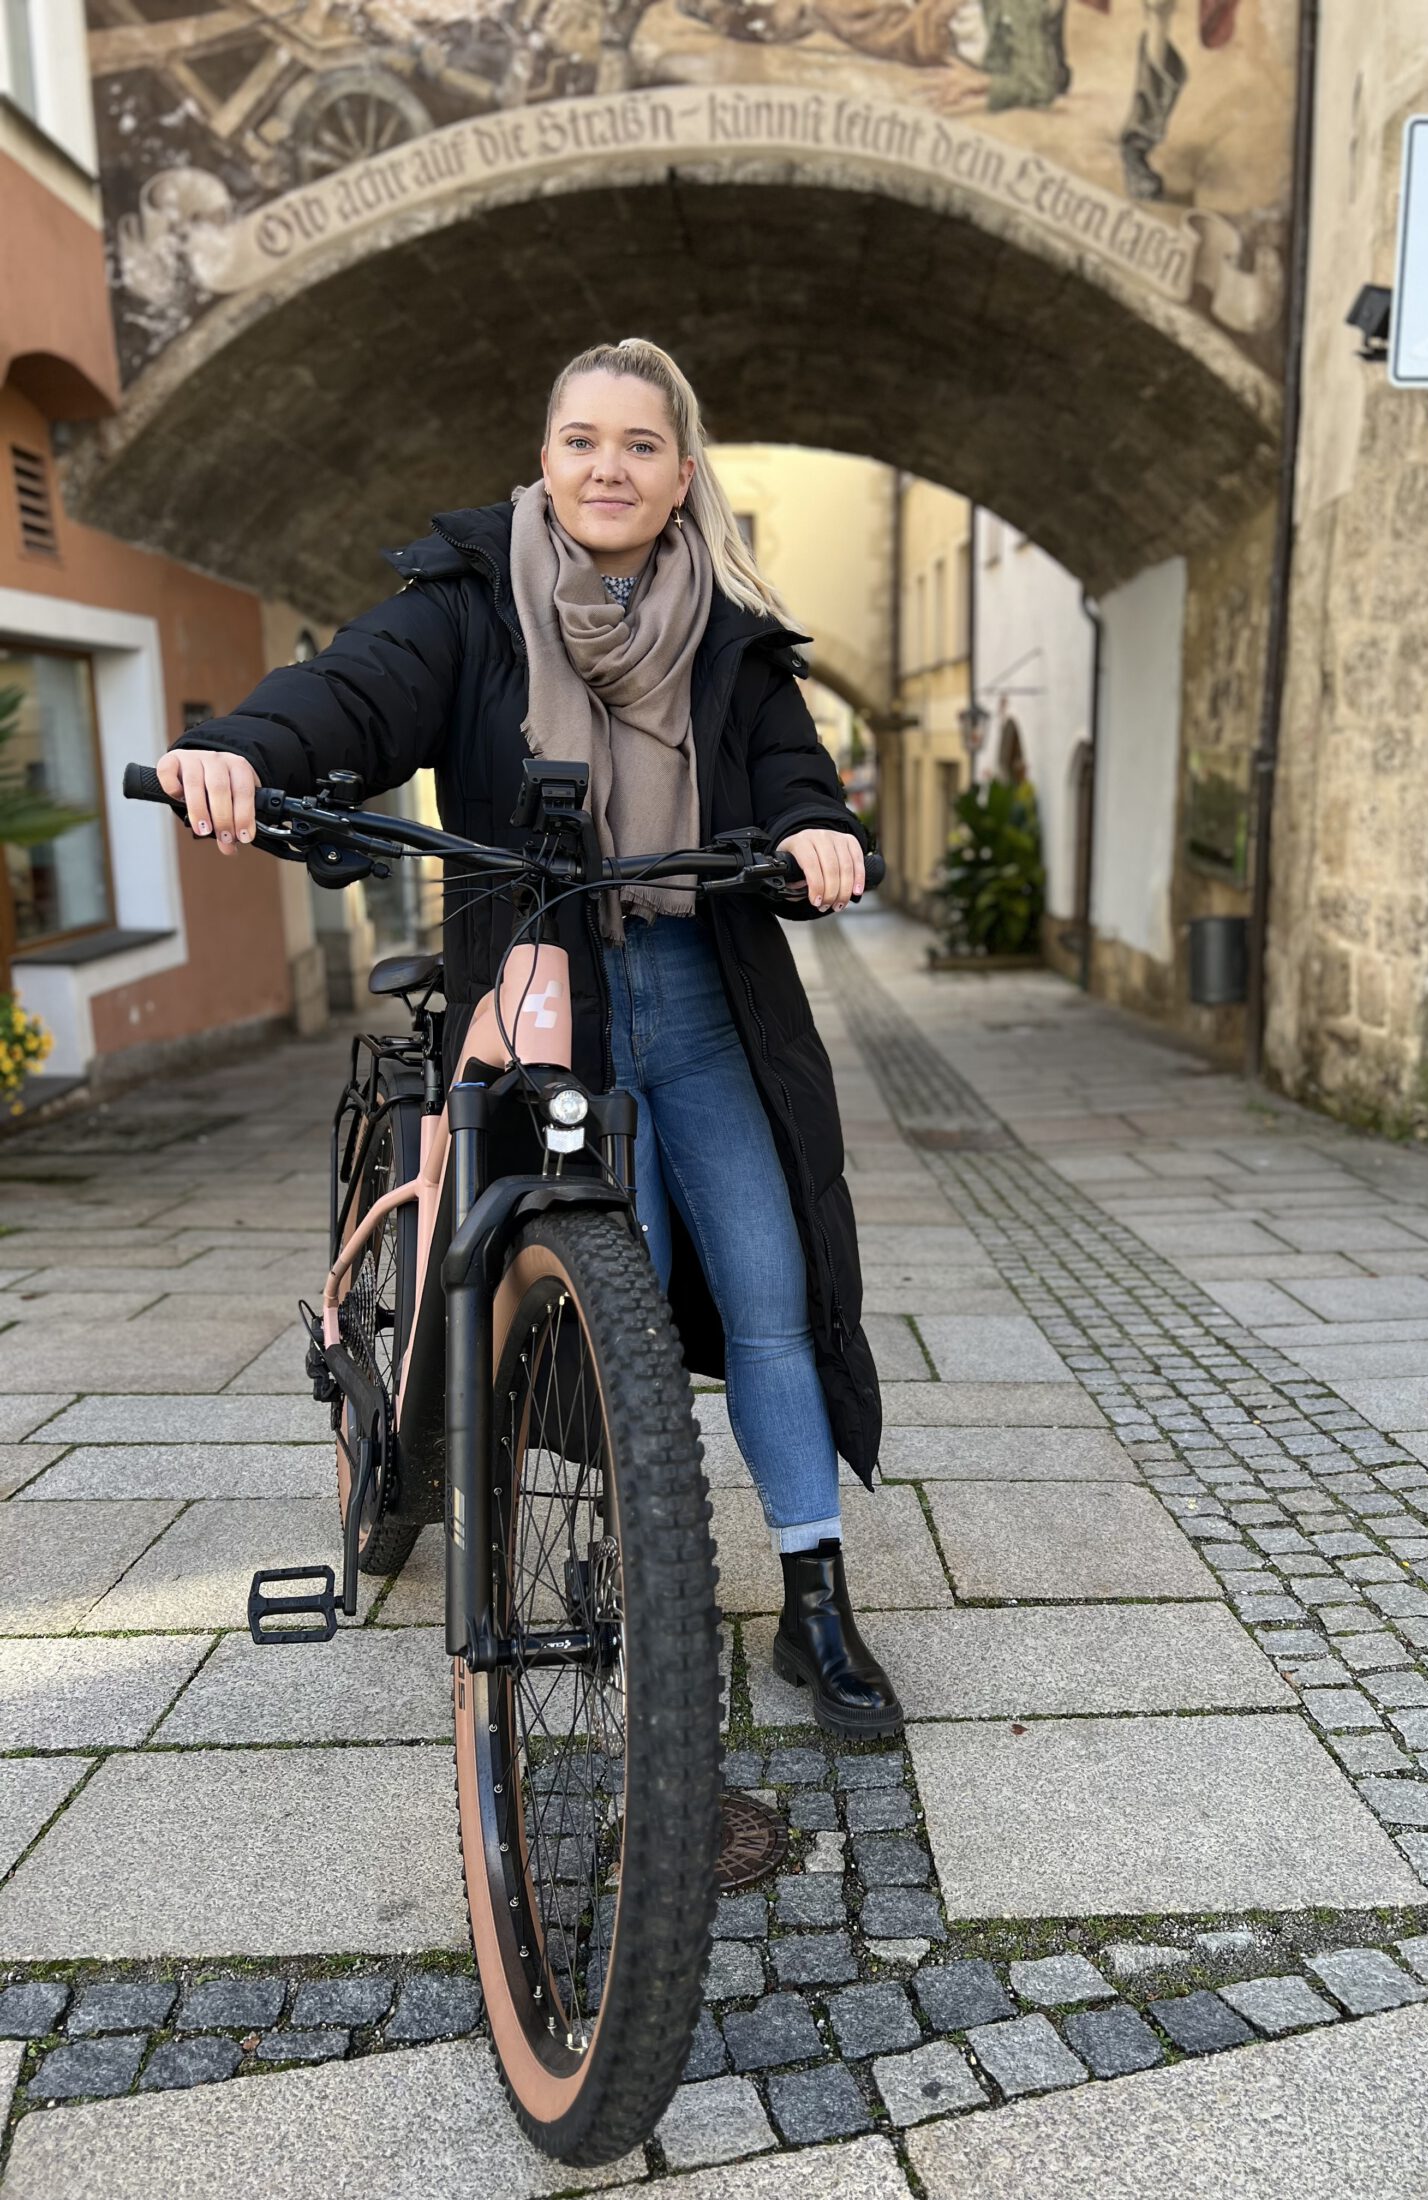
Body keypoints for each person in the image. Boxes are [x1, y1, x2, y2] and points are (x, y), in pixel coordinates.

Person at [158, 337, 903, 1740]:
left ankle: (815, 1601)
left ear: (683, 475)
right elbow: (356, 695)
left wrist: (815, 830)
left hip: (709, 1000)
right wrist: (245, 748)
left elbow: (796, 770)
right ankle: (646, 1573)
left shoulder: (731, 635)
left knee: (771, 1290)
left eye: (638, 445)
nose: (606, 467)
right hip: (544, 992)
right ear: (543, 459)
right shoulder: (468, 603)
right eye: (580, 441)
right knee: (603, 1293)